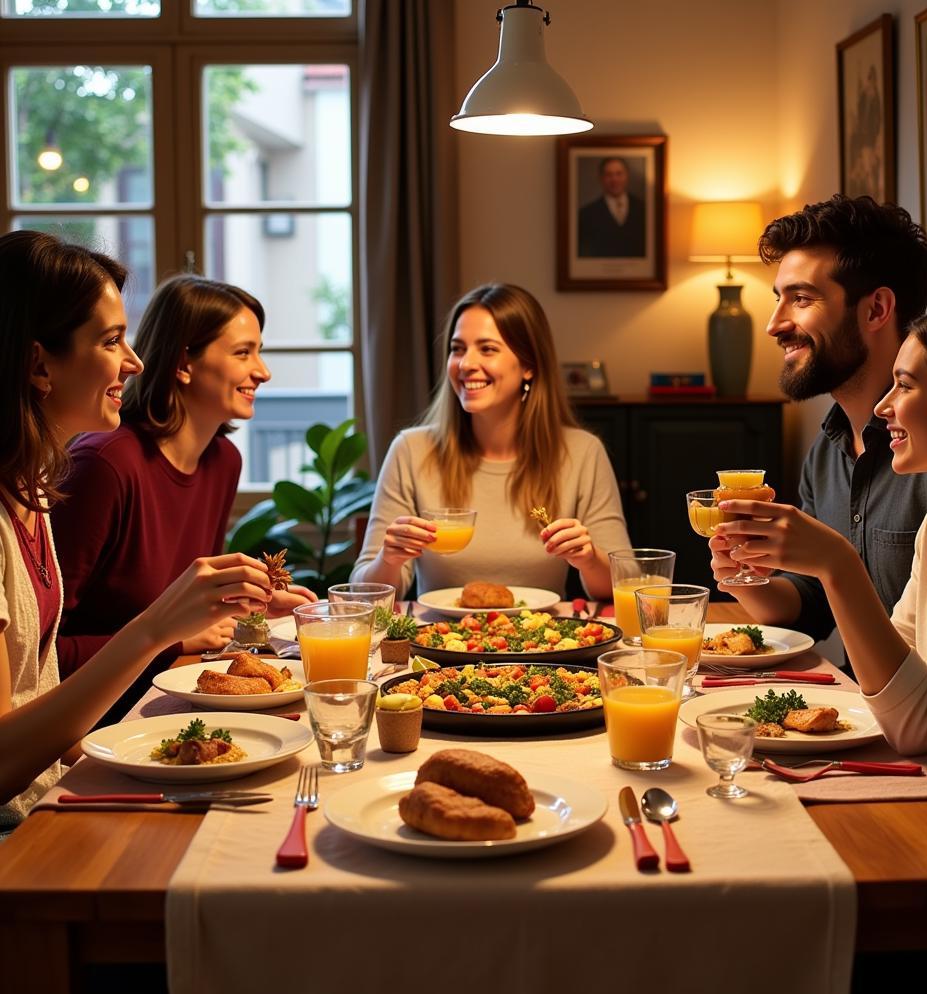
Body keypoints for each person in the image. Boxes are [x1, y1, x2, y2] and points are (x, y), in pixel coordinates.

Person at [713, 301, 927, 820]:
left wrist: (837, 562)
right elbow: (891, 679)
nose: (884, 407)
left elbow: (916, 720)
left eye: (904, 385)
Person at [0, 232, 272, 823]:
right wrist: (157, 631)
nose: (134, 361)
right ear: (39, 363)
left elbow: (42, 700)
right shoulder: (96, 468)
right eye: (111, 340)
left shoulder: (34, 497)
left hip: (50, 794)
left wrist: (137, 767)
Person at [51, 274, 316, 728]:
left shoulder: (222, 461)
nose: (263, 371)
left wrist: (249, 602)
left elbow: (187, 602)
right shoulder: (105, 465)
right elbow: (43, 655)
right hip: (95, 724)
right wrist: (171, 640)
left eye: (259, 350)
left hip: (170, 696)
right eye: (243, 352)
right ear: (183, 363)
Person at [708, 195, 927, 658]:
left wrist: (831, 560)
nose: (774, 325)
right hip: (854, 702)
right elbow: (812, 605)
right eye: (778, 299)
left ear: (877, 309)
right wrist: (746, 578)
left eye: (800, 299)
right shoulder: (827, 449)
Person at [350, 282, 631, 599]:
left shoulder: (582, 453)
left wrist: (588, 559)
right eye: (457, 349)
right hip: (438, 645)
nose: (466, 364)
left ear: (528, 365)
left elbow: (623, 586)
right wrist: (390, 559)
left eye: (487, 349)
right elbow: (364, 594)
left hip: (543, 644)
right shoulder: (410, 451)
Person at [577, 157, 646, 259]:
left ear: (627, 176)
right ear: (601, 178)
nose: (614, 179)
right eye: (609, 175)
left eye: (619, 174)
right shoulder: (586, 214)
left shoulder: (645, 209)